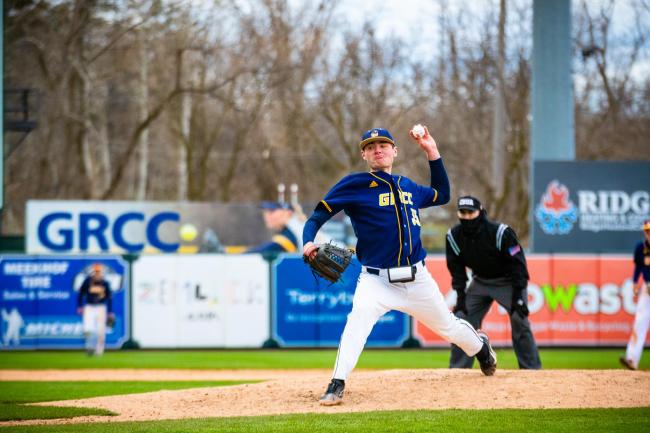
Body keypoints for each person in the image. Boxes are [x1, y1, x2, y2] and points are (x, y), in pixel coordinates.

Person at [303, 126, 497, 406]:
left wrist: (432, 152)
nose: (377, 149)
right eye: (371, 147)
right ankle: (337, 383)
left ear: (395, 151)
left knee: (449, 328)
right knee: (356, 323)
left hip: (418, 280)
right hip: (376, 280)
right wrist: (308, 242)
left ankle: (481, 348)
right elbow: (318, 214)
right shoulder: (354, 185)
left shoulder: (408, 186)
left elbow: (442, 194)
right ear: (364, 155)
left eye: (383, 145)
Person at [446, 196, 542, 370]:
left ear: (480, 211)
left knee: (519, 319)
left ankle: (531, 370)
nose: (467, 217)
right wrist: (460, 297)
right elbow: (457, 270)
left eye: (471, 212)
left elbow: (518, 264)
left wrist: (519, 295)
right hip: (480, 281)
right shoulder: (454, 236)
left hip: (508, 281)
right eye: (463, 212)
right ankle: (458, 369)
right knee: (460, 319)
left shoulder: (500, 232)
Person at [620, 219, 650, 370]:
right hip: (647, 287)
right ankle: (632, 359)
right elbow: (639, 267)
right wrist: (634, 284)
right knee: (640, 321)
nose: (648, 233)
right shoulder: (640, 247)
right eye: (647, 230)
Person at [77, 263, 114, 356]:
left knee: (101, 330)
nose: (97, 273)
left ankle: (99, 351)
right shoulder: (87, 281)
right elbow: (81, 294)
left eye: (99, 271)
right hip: (89, 307)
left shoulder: (105, 283)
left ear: (102, 272)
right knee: (88, 329)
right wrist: (80, 306)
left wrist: (110, 311)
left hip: (101, 307)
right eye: (96, 271)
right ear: (93, 272)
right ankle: (90, 347)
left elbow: (109, 298)